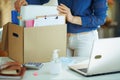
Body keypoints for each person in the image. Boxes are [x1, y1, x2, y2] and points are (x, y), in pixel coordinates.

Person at [14, 0, 108, 58]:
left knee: (81, 75)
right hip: (61, 37)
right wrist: (26, 1)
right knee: (62, 74)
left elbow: (100, 18)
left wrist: (72, 18)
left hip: (85, 39)